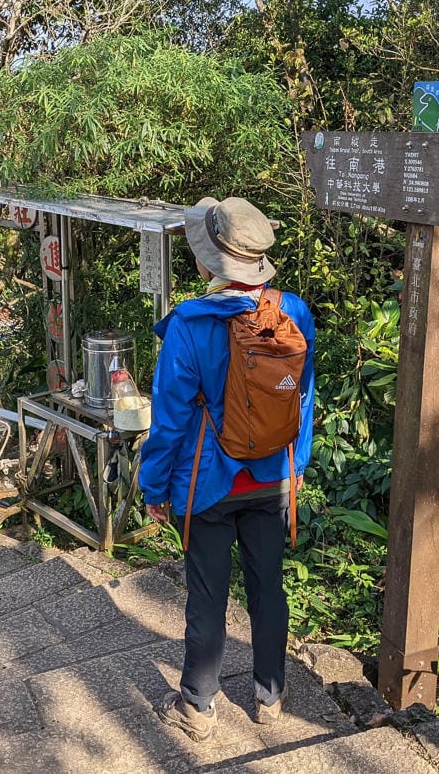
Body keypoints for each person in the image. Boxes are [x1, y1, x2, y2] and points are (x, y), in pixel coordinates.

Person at [138, 196, 316, 742]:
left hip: (206, 483)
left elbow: (168, 421)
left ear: (209, 262)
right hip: (273, 477)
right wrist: (298, 464)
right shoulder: (294, 312)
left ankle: (197, 704)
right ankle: (271, 697)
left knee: (208, 594)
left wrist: (153, 485)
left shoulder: (189, 325)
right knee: (268, 588)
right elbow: (304, 398)